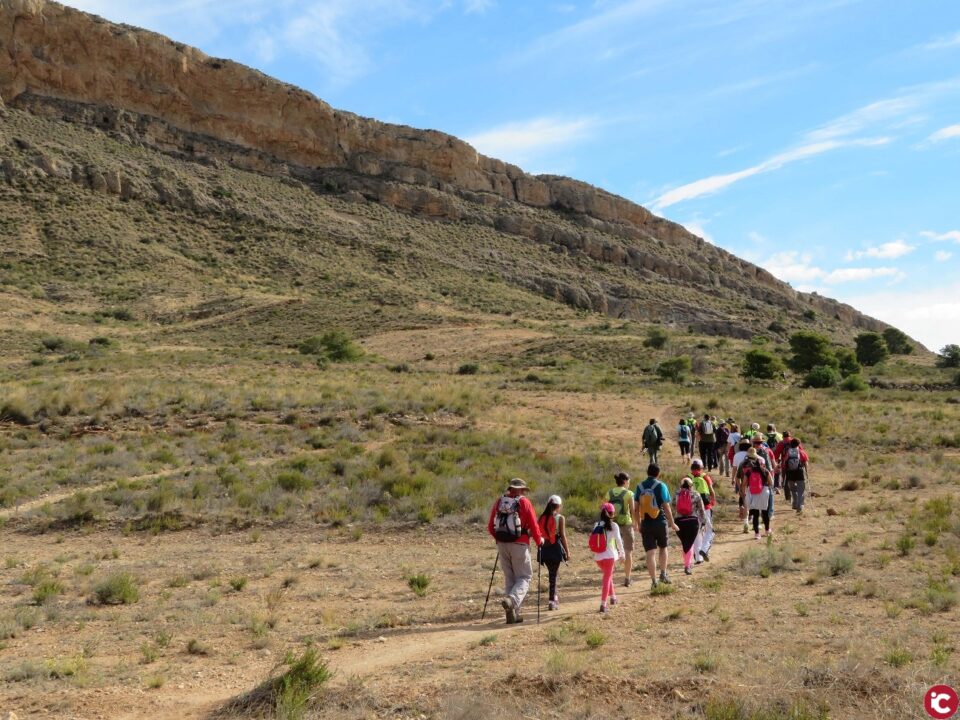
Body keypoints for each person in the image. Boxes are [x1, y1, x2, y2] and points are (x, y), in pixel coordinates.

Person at [487, 478, 544, 624]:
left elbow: (490, 526)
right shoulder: (524, 502)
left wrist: (498, 539)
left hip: (502, 544)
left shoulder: (500, 501)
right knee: (525, 577)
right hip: (519, 544)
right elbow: (533, 524)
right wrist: (539, 541)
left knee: (510, 579)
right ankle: (512, 601)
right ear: (521, 489)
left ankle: (513, 614)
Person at [632, 464, 680, 589]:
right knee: (663, 548)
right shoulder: (661, 485)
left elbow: (636, 508)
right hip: (660, 521)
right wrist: (672, 522)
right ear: (658, 473)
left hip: (646, 523)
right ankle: (663, 574)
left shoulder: (639, 486)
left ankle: (654, 581)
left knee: (650, 553)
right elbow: (666, 506)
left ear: (647, 472)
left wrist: (637, 524)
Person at [537, 495, 570, 610]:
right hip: (555, 548)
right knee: (553, 575)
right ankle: (552, 601)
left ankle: (554, 597)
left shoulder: (541, 517)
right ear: (558, 506)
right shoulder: (560, 518)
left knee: (552, 573)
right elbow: (563, 536)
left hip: (544, 549)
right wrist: (567, 552)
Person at [591, 503, 624, 613]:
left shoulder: (596, 524)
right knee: (607, 578)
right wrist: (622, 554)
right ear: (612, 514)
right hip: (609, 556)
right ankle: (603, 604)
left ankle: (613, 597)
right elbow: (619, 541)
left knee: (608, 576)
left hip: (598, 557)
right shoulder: (614, 526)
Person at [607, 472, 636, 587]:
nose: (629, 484)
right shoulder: (629, 493)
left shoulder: (609, 493)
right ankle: (627, 578)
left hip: (612, 524)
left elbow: (604, 508)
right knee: (628, 551)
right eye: (628, 482)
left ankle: (610, 579)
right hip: (626, 524)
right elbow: (633, 510)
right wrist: (635, 524)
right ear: (625, 481)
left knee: (612, 551)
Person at [737, 448, 773, 538]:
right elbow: (771, 483)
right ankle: (767, 530)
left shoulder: (749, 471)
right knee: (764, 512)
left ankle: (757, 534)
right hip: (764, 491)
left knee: (755, 513)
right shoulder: (765, 471)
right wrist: (765, 486)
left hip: (752, 491)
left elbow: (744, 483)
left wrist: (743, 492)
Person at [674, 477, 704, 575]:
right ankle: (687, 565)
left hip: (679, 521)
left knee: (685, 543)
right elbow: (701, 509)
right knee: (690, 543)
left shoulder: (677, 494)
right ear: (691, 486)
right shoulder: (696, 494)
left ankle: (687, 563)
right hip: (692, 521)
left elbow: (672, 505)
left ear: (681, 485)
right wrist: (703, 521)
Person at [689, 459, 716, 562]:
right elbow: (711, 490)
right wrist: (713, 501)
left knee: (697, 531)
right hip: (705, 507)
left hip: (692, 509)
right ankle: (704, 550)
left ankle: (698, 558)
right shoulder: (705, 477)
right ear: (701, 468)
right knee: (710, 531)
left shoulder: (687, 478)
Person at [781, 438, 810, 514]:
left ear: (790, 444)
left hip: (790, 473)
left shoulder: (788, 453)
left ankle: (794, 504)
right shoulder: (801, 452)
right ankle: (799, 506)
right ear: (799, 444)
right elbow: (806, 463)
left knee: (793, 489)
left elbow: (784, 464)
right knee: (801, 490)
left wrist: (783, 476)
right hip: (799, 473)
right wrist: (806, 473)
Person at [731, 438, 752, 532]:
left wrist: (733, 479)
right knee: (750, 497)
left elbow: (734, 468)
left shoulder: (737, 455)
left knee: (741, 494)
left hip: (740, 477)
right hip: (751, 480)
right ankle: (748, 514)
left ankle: (741, 510)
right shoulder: (751, 455)